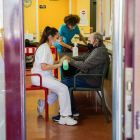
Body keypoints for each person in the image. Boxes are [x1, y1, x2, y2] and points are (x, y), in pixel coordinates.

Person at [52, 32, 110, 121]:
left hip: (91, 80)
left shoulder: (99, 52)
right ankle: (73, 110)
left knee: (63, 84)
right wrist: (71, 58)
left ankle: (66, 113)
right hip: (87, 77)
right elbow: (83, 58)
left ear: (96, 41)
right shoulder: (96, 49)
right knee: (65, 81)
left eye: (90, 41)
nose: (88, 43)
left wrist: (70, 62)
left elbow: (84, 65)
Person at [31, 26, 77, 125]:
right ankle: (64, 117)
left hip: (44, 75)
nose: (58, 40)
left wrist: (59, 61)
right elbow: (44, 67)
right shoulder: (44, 48)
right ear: (50, 37)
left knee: (61, 84)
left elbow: (49, 62)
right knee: (63, 88)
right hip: (40, 77)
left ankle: (44, 102)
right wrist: (59, 65)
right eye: (57, 37)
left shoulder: (46, 47)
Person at [55, 14, 88, 80]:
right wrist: (71, 48)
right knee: (63, 62)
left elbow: (81, 36)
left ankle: (70, 78)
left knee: (70, 60)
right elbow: (60, 42)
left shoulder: (76, 27)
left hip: (68, 44)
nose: (73, 27)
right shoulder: (63, 28)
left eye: (74, 25)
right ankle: (63, 79)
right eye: (71, 25)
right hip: (60, 46)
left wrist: (87, 44)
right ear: (67, 24)